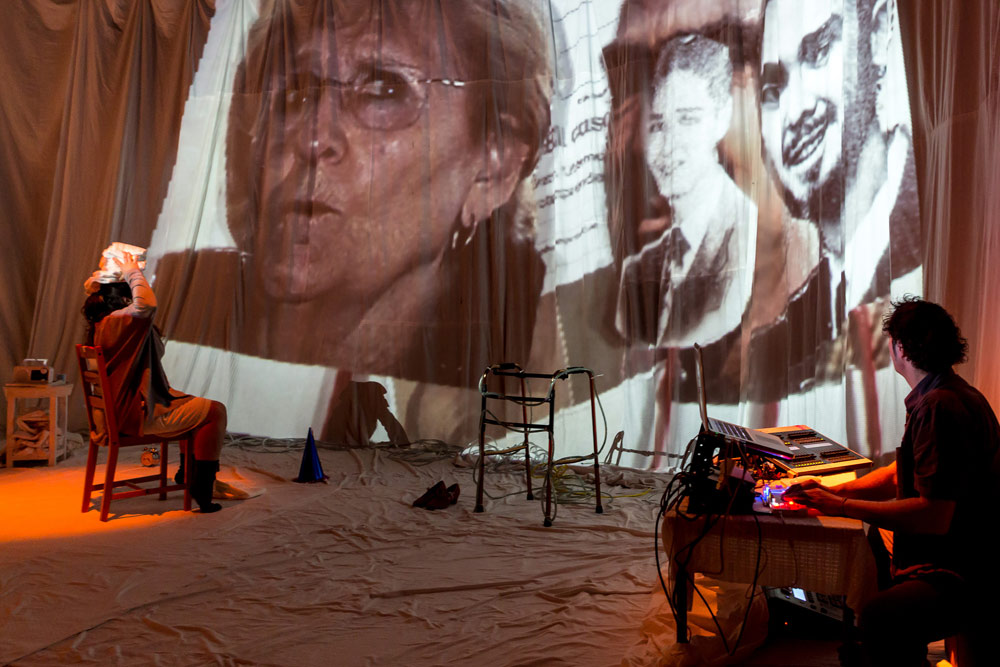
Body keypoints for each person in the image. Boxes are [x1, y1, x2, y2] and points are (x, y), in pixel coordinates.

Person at [145, 0, 553, 440]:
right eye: (297, 90)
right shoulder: (179, 296)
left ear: (494, 169)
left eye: (384, 90)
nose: (313, 136)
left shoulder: (504, 382)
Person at [785, 297, 1000, 665]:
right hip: (967, 553)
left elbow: (934, 515)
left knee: (881, 615)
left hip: (964, 572)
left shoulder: (939, 407)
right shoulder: (950, 392)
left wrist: (840, 506)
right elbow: (901, 474)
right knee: (873, 542)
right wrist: (833, 491)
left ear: (899, 348)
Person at [750, 0, 921, 401]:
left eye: (819, 51)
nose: (796, 110)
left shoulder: (932, 244)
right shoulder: (785, 336)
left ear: (878, 36)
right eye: (772, 90)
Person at [616, 32, 756, 350]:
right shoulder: (636, 272)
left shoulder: (749, 239)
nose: (668, 146)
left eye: (688, 120)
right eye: (657, 125)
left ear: (722, 119)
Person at [82, 248, 228, 513]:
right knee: (215, 411)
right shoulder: (119, 322)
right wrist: (133, 272)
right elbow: (147, 304)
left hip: (121, 411)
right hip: (135, 415)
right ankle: (202, 489)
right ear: (123, 296)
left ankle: (188, 476)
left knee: (194, 405)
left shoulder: (106, 324)